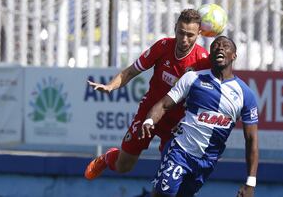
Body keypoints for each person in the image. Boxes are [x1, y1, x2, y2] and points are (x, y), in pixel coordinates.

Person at [84, 9, 211, 180]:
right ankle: (108, 157)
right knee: (124, 166)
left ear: (199, 34)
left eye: (190, 35)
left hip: (177, 123)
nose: (184, 39)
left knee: (171, 175)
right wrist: (110, 86)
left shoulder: (203, 61)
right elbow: (130, 72)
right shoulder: (163, 46)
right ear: (175, 28)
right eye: (181, 33)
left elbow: (206, 99)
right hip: (149, 111)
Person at [140, 36, 259, 197]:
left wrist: (250, 182)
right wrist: (149, 120)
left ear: (234, 55)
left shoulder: (245, 94)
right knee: (163, 195)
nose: (220, 48)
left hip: (206, 161)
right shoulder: (193, 78)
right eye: (215, 45)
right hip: (180, 150)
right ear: (210, 55)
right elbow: (163, 104)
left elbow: (251, 139)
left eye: (225, 46)